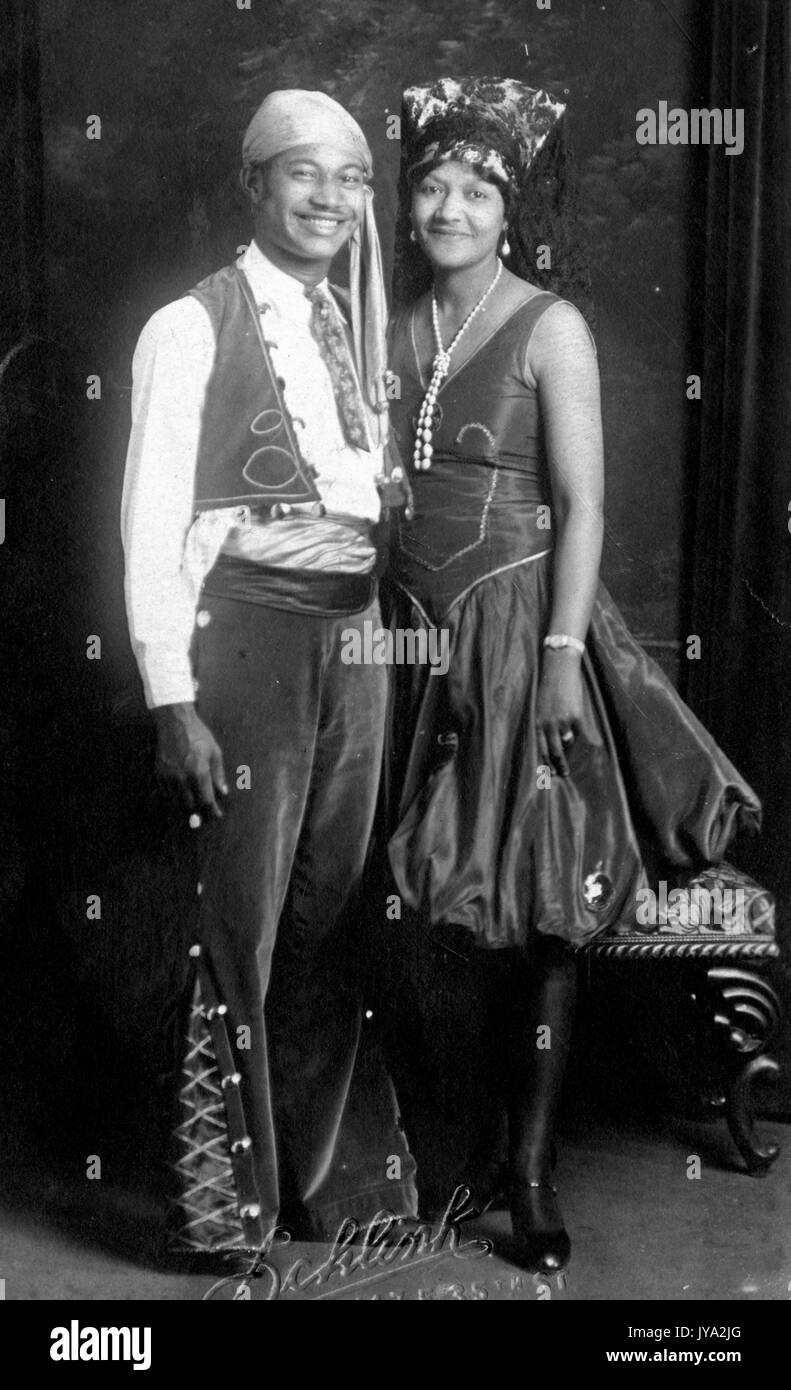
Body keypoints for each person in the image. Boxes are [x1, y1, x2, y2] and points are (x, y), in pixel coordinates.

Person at [380, 77, 761, 1276]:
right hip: (402, 641)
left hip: (520, 635)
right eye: (433, 185)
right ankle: (446, 1153)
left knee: (539, 908)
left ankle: (533, 1174)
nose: (450, 206)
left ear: (510, 210)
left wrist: (554, 662)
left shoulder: (549, 325)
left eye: (475, 190)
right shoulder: (388, 329)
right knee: (402, 904)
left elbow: (583, 504)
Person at [121, 89, 416, 1270]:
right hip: (243, 637)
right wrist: (170, 697)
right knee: (236, 921)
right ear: (254, 185)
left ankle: (317, 1182)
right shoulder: (187, 326)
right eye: (303, 176)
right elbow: (147, 525)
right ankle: (220, 1204)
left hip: (355, 643)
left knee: (331, 912)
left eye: (347, 181)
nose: (329, 200)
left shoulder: (354, 320)